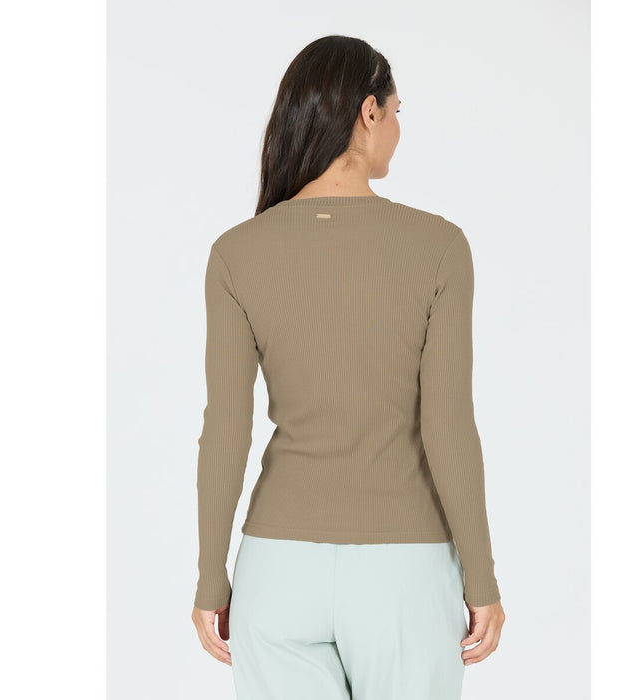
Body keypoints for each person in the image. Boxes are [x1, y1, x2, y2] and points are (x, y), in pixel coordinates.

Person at [190, 34, 506, 699]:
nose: (397, 128)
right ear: (369, 111)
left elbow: (225, 431)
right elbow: (448, 427)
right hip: (405, 574)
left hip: (278, 571)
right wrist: (481, 580)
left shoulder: (237, 253)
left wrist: (211, 578)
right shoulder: (439, 247)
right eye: (396, 111)